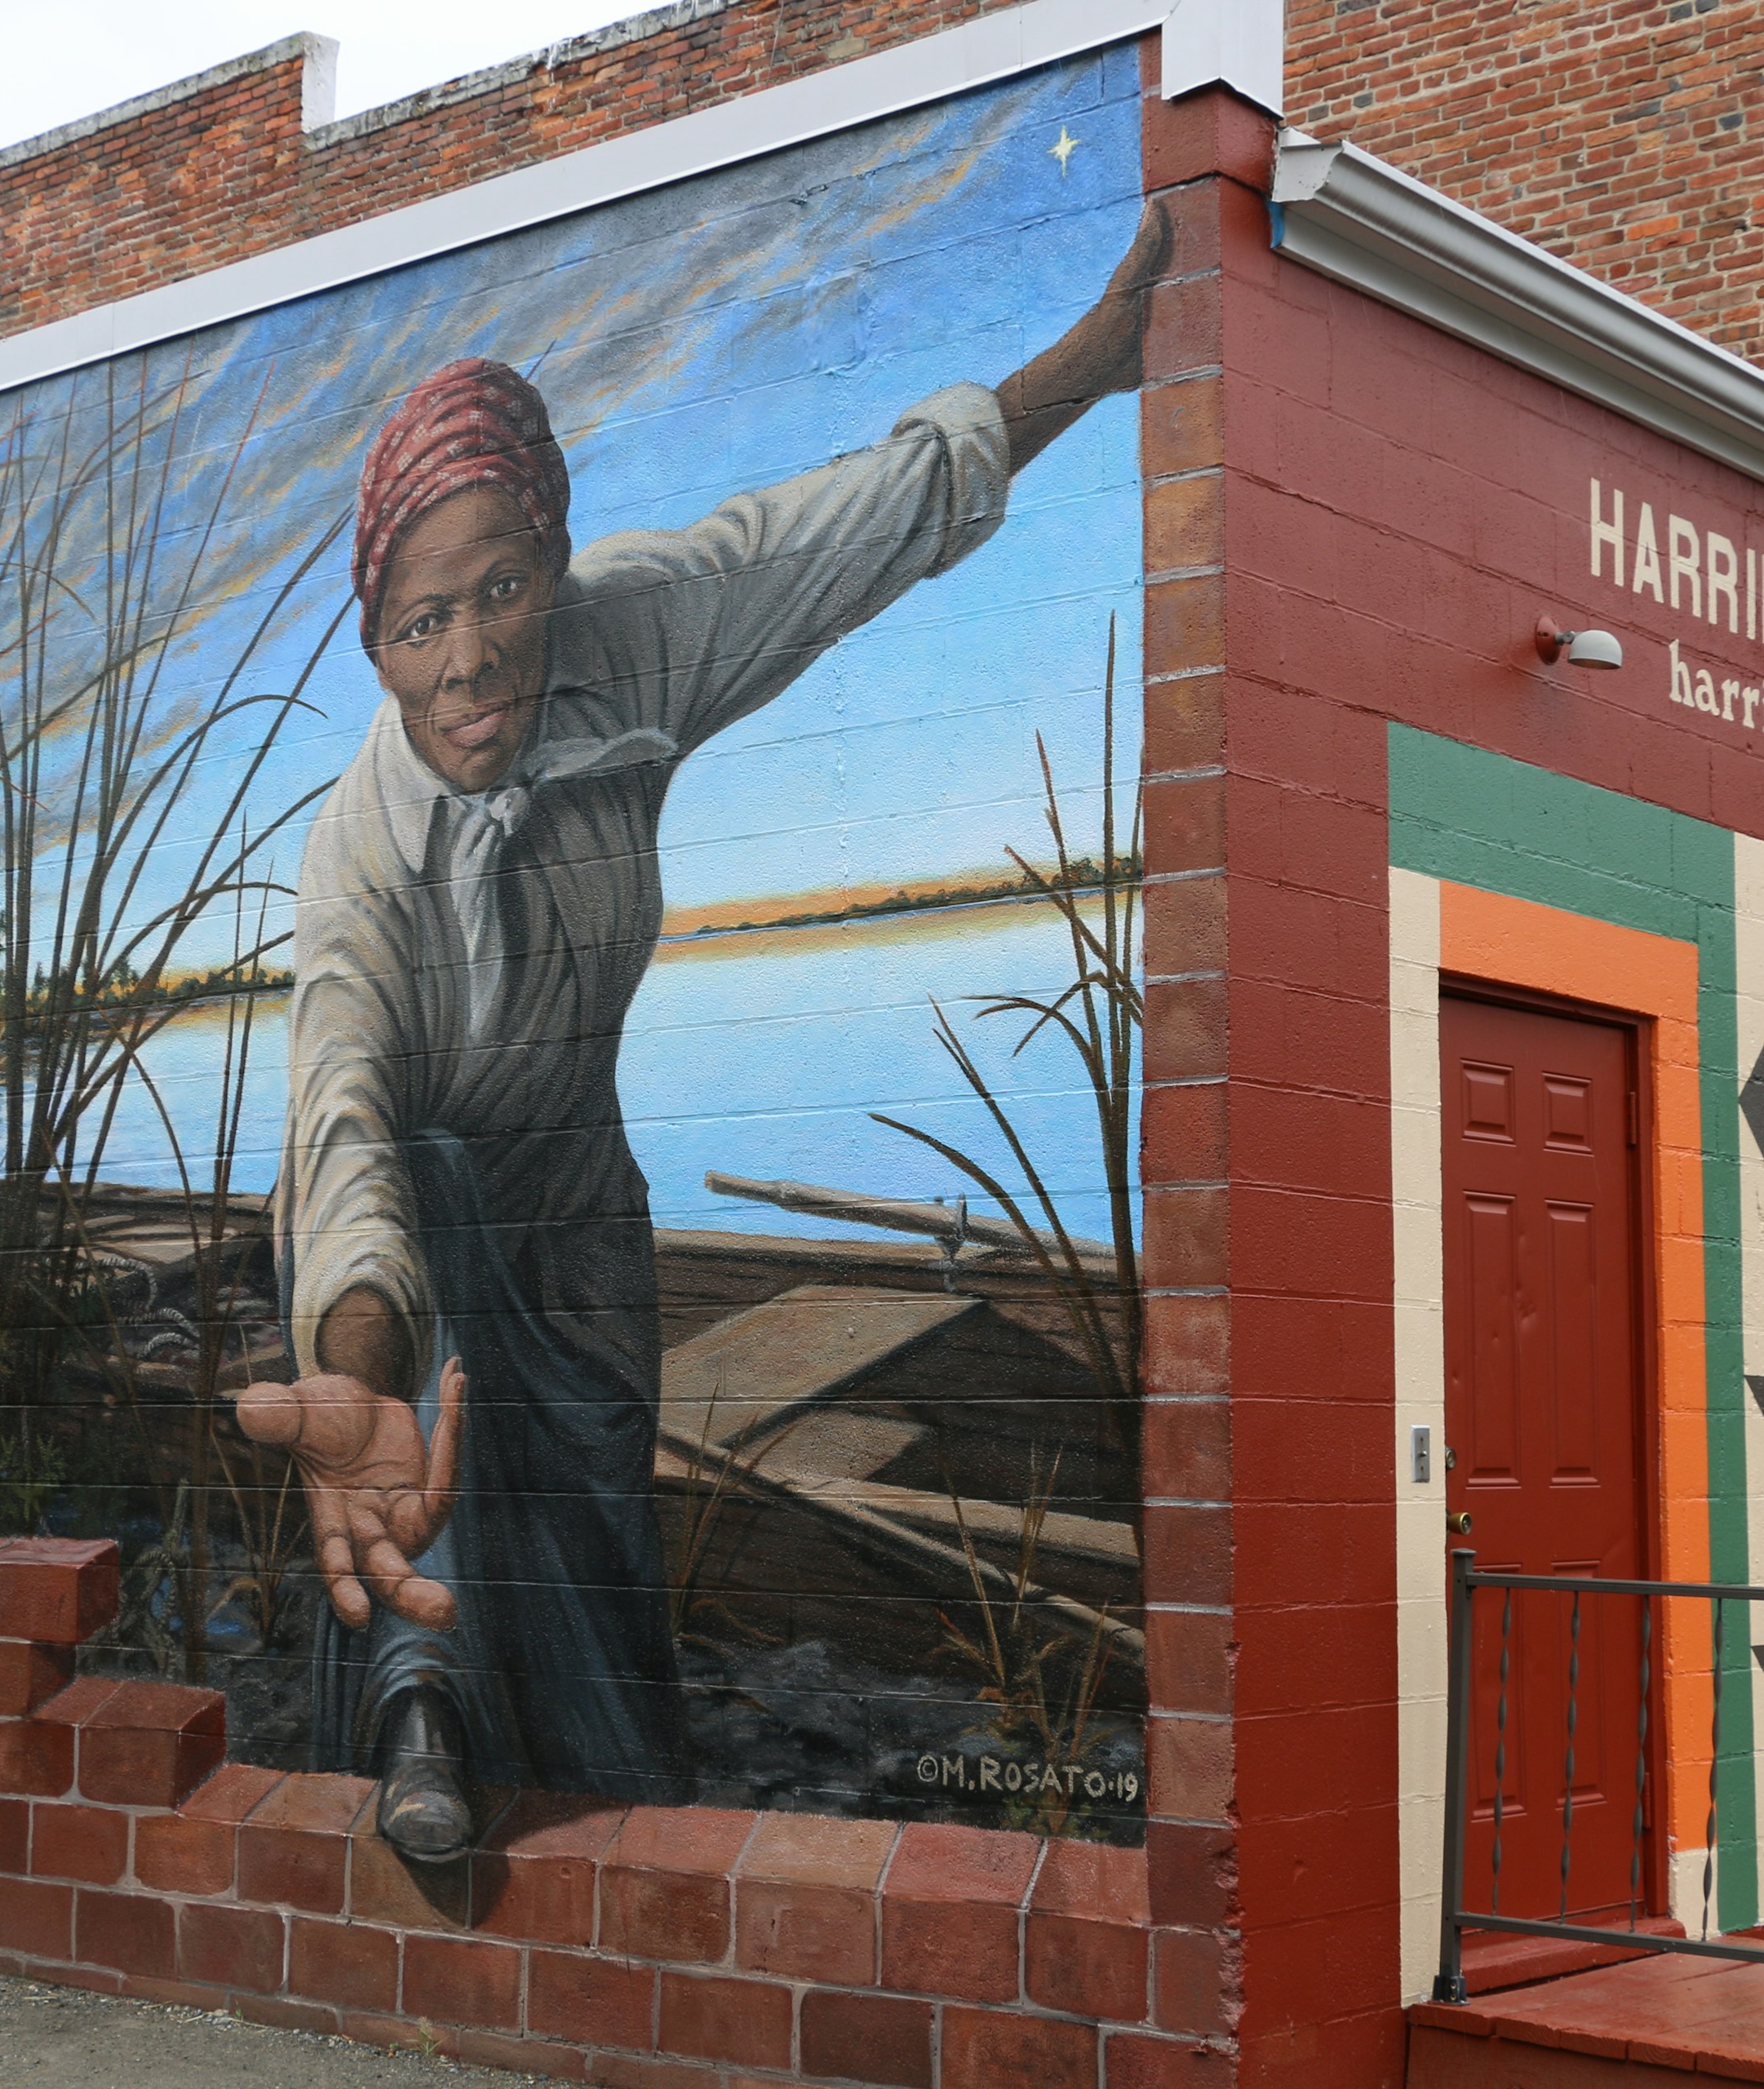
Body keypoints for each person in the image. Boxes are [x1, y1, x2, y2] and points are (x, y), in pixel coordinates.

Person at [243, 197, 1172, 1861]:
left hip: (582, 1199)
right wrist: (358, 1362)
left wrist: (1095, 367)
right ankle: (417, 1723)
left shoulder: (642, 631)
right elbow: (345, 1123)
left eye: (502, 589)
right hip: (419, 1238)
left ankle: (616, 1816)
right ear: (377, 643)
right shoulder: (356, 854)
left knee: (602, 1594)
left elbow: (853, 525)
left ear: (554, 557)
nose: (467, 661)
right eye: (416, 623)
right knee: (430, 1379)